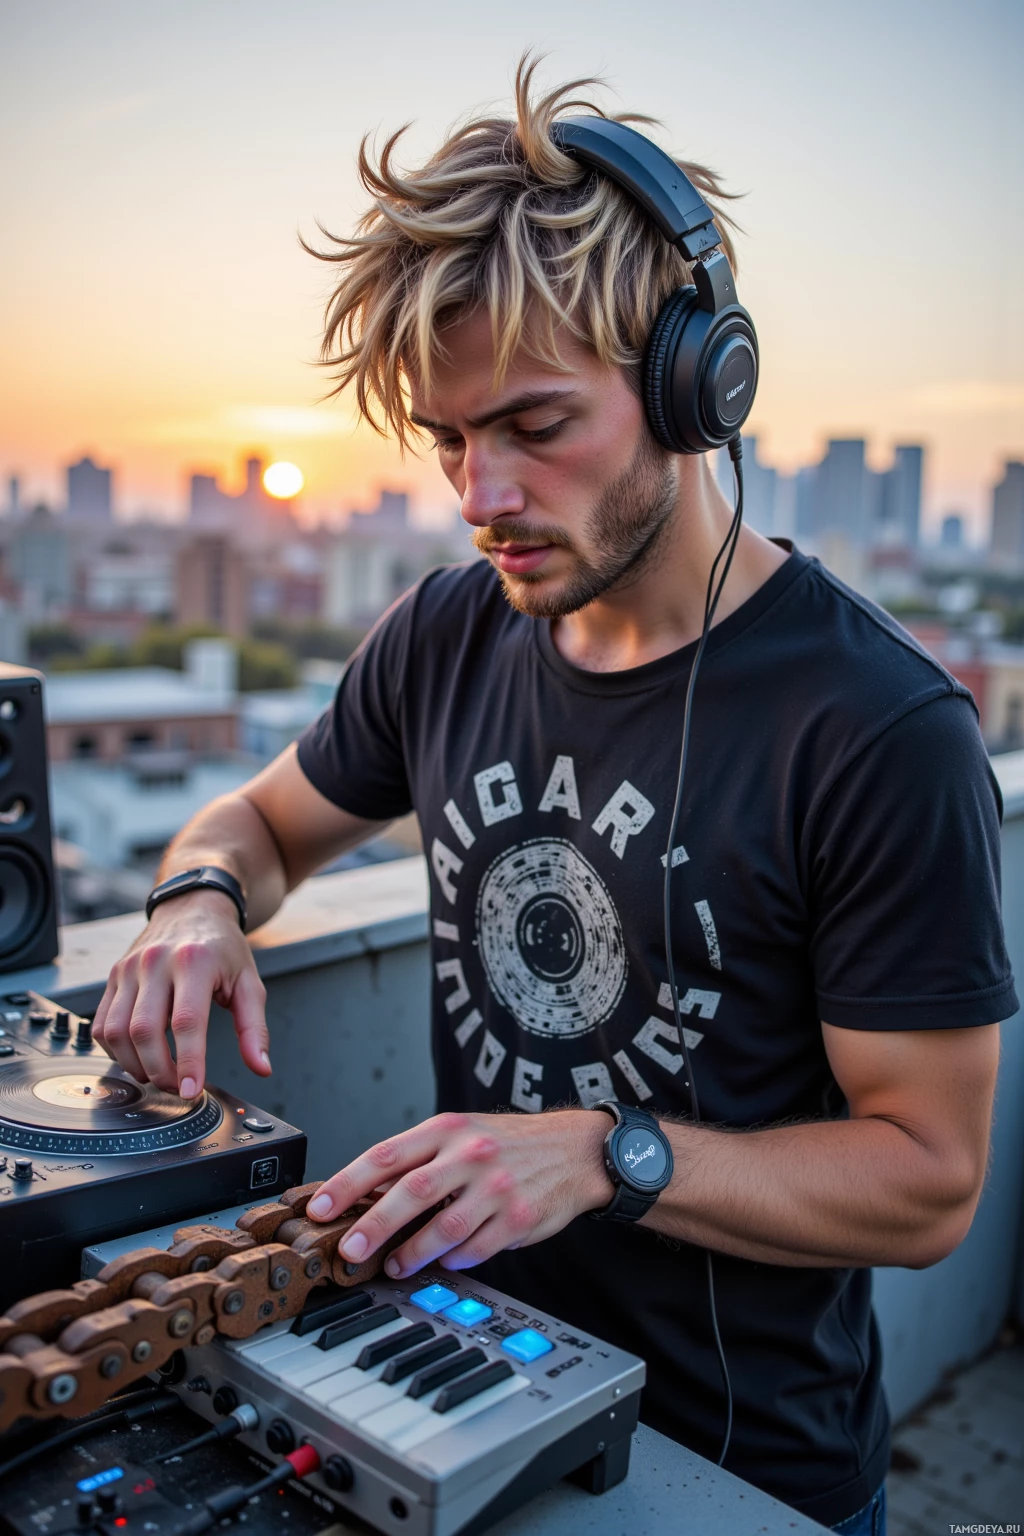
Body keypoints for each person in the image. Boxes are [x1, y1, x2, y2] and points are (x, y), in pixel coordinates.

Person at [92, 61, 1014, 1535]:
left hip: (737, 1472)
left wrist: (604, 1153)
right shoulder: (449, 630)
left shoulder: (878, 726)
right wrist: (198, 903)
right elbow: (254, 827)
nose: (480, 490)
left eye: (532, 425)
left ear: (694, 384)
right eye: (449, 438)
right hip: (451, 1391)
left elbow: (928, 1185)